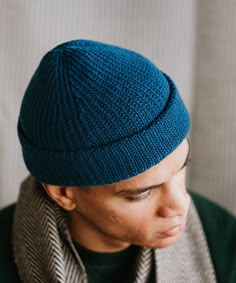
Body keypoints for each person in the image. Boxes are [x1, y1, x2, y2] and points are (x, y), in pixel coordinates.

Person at [0, 40, 235, 283]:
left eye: (181, 167)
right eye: (140, 194)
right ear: (63, 193)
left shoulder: (221, 240)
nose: (181, 204)